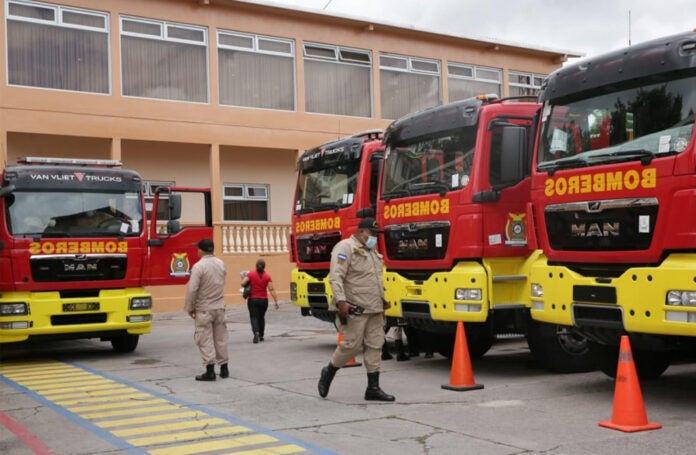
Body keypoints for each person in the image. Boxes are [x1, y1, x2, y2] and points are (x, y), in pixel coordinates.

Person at [317, 217, 395, 402]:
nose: (375, 238)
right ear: (361, 232)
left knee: (376, 346)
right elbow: (336, 277)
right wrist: (341, 301)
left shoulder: (372, 252)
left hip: (375, 307)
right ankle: (329, 371)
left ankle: (373, 388)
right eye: (372, 234)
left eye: (376, 235)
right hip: (355, 308)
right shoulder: (345, 248)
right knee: (351, 346)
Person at [184, 238, 229, 381]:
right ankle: (224, 368)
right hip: (219, 307)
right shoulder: (221, 264)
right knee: (220, 338)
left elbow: (192, 289)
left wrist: (190, 307)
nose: (197, 250)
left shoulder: (199, 266)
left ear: (202, 250)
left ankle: (210, 370)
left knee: (205, 338)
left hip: (204, 308)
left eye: (198, 248)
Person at [241, 258, 279, 343]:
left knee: (254, 317)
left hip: (253, 300)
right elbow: (271, 289)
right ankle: (261, 335)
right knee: (261, 317)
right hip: (263, 300)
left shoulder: (251, 274)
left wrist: (248, 284)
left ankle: (256, 333)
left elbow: (243, 283)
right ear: (264, 267)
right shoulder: (267, 276)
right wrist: (276, 301)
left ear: (256, 266)